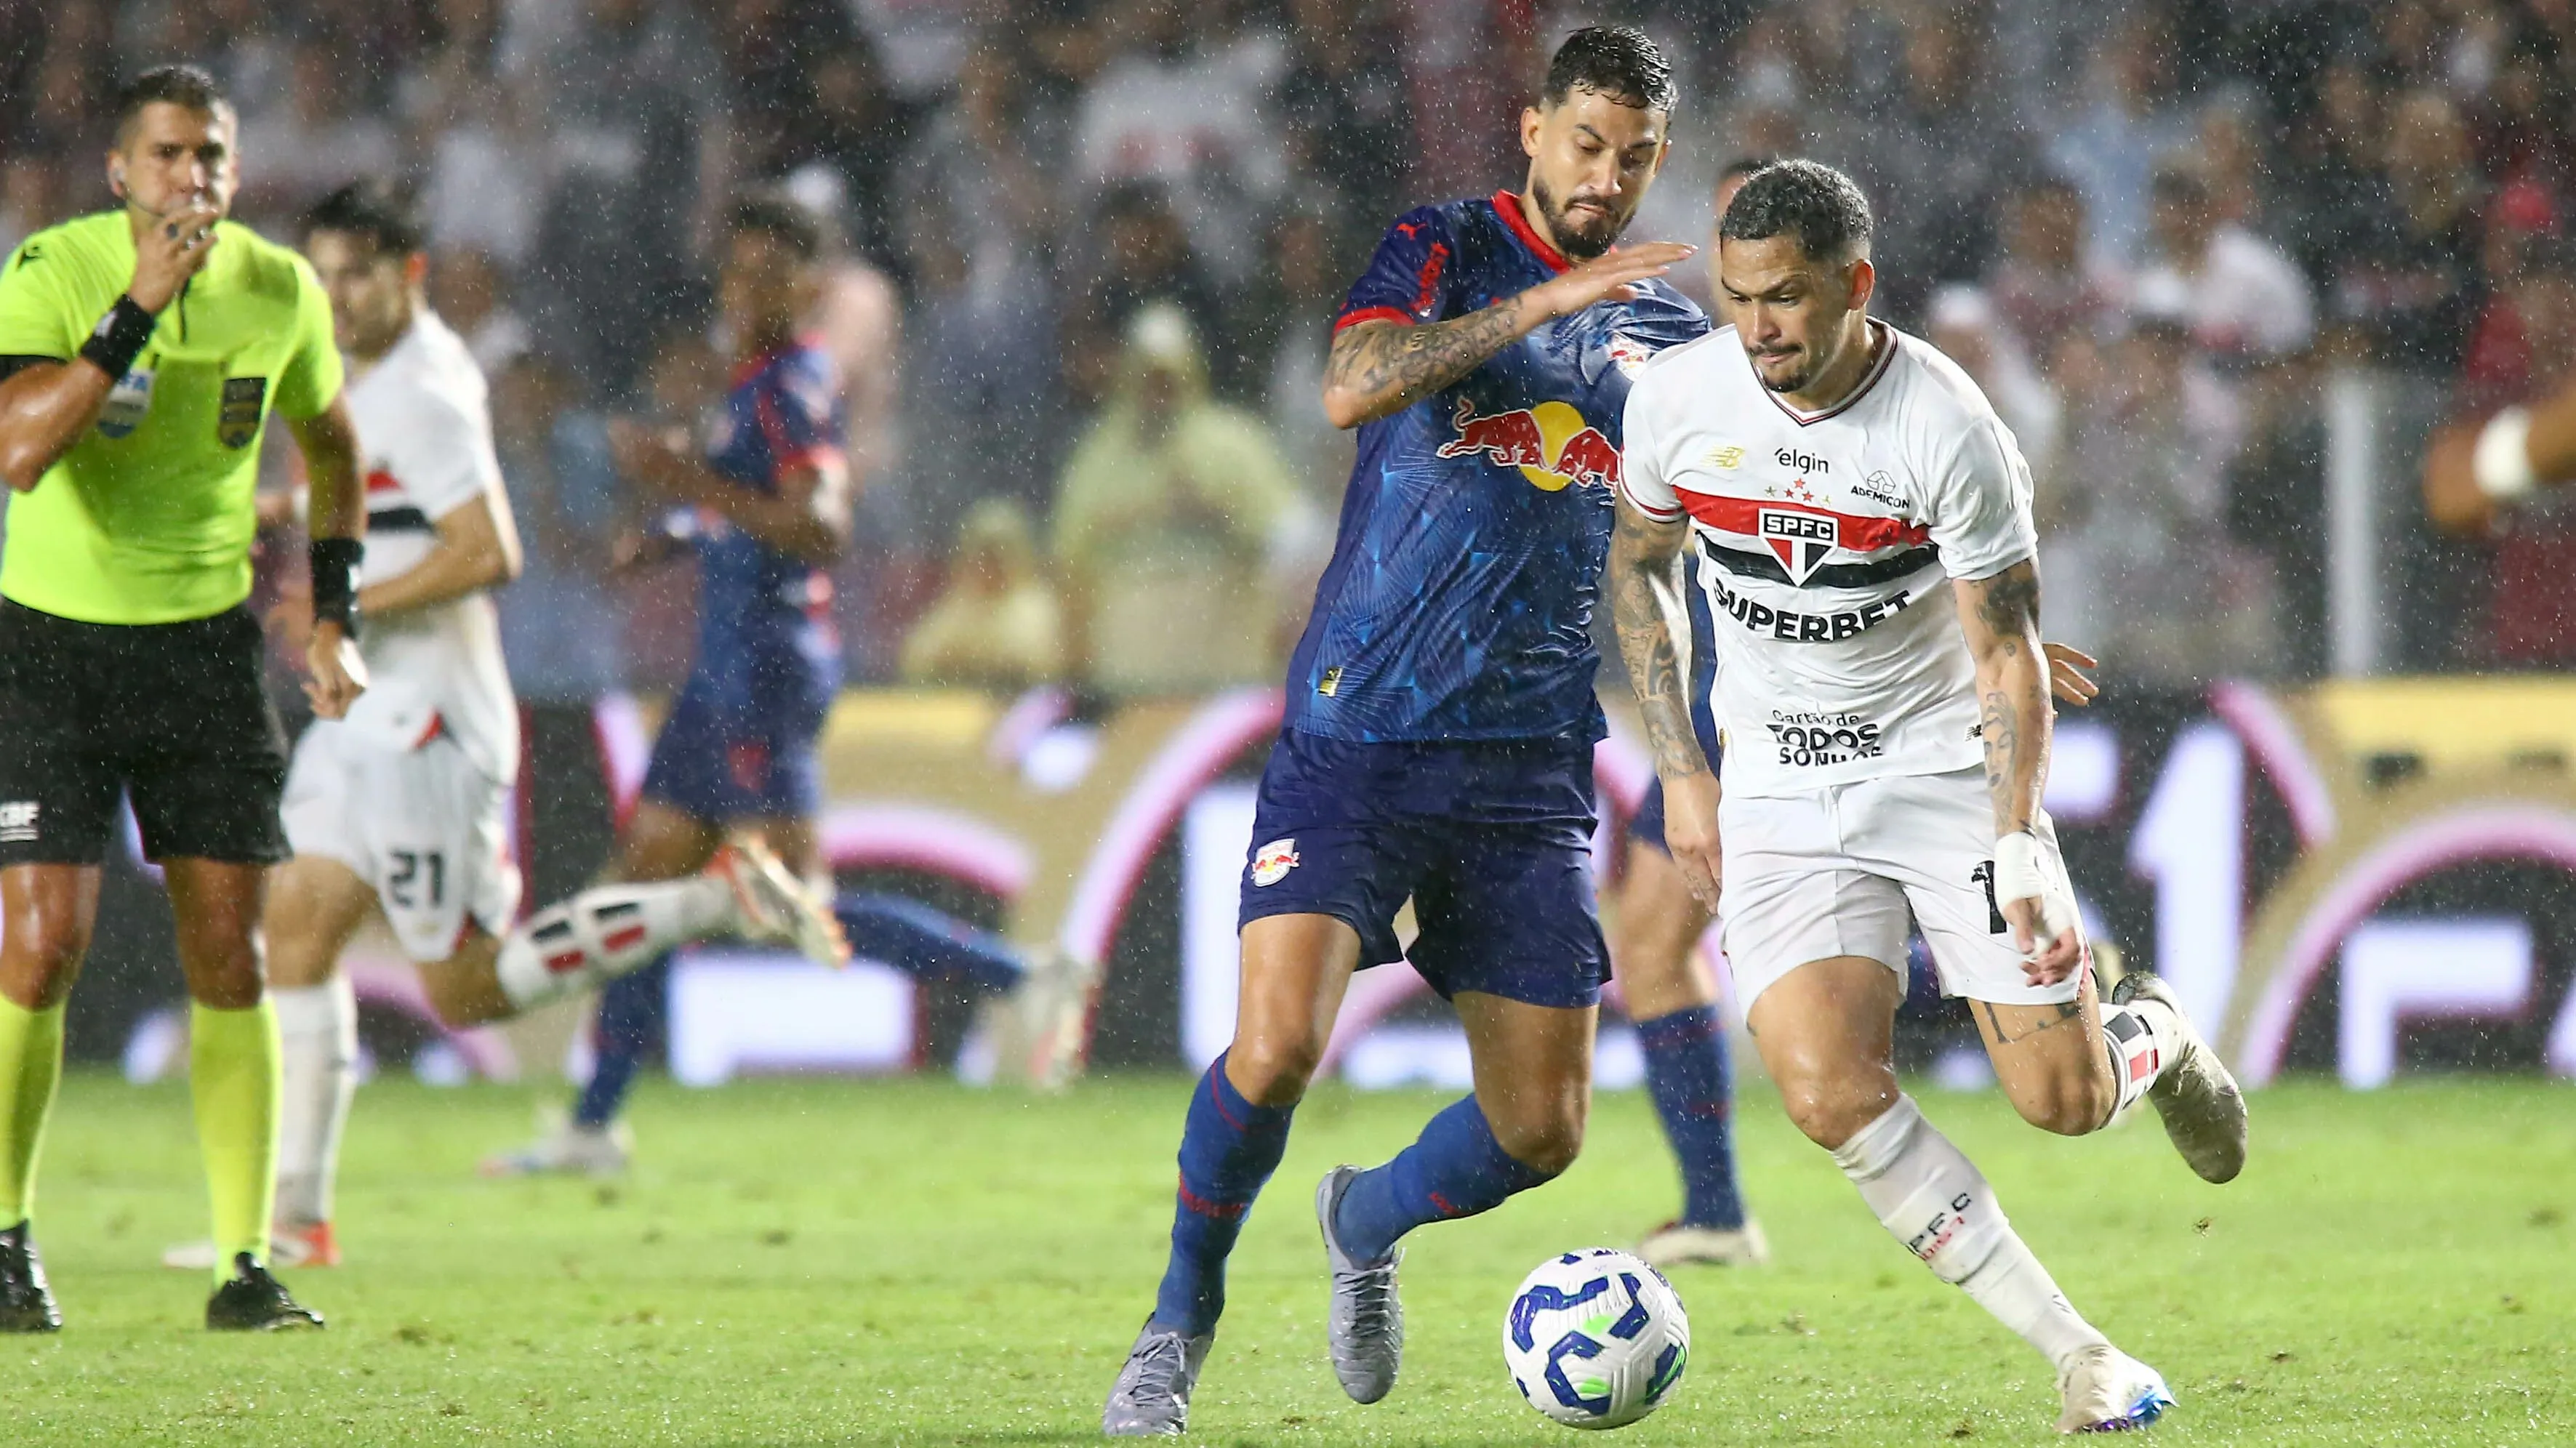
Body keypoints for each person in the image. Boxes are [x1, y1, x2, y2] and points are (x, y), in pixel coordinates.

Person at [1102, 28, 1703, 1436]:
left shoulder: (1673, 338)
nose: (1605, 178)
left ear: (1655, 162)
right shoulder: (1440, 243)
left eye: (1633, 158)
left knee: (1542, 1131)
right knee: (1277, 1048)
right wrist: (1549, 302)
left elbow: (1702, 535)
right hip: (1361, 727)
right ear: (1531, 130)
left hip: (1530, 760)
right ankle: (1178, 1318)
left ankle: (1362, 1219)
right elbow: (1355, 386)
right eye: (1584, 143)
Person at [1606, 159, 2248, 1436]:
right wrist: (1681, 770)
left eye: (1786, 298)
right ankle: (2082, 1358)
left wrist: (2014, 840)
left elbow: (2008, 649)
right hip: (1778, 783)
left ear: (1856, 283)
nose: (1760, 329)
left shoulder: (1946, 429)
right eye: (1736, 299)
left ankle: (2153, 1036)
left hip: (1939, 771)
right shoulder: (1680, 400)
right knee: (1823, 1090)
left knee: (2059, 1103)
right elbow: (1639, 571)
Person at [145, 183, 840, 1271]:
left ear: (407, 278)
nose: (336, 296)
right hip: (367, 709)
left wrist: (340, 607)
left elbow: (488, 552)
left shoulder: (428, 387)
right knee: (295, 930)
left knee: (466, 989)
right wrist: (276, 515)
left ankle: (719, 893)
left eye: (359, 275)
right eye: (322, 275)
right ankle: (296, 1219)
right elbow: (380, 504)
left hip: (432, 723)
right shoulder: (362, 377)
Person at [485, 200, 1088, 1176]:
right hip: (722, 668)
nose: (746, 291)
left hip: (763, 670)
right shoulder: (753, 384)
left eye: (770, 274)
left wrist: (686, 481)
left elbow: (821, 528)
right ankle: (595, 1125)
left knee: (796, 909)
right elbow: (747, 515)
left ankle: (1024, 976)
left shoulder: (795, 383)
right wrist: (680, 531)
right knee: (645, 889)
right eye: (737, 272)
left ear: (808, 288)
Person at [0, 65, 368, 1332]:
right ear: (120, 173)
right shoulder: (52, 269)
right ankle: (5, 1241)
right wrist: (135, 310)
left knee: (229, 956)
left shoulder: (278, 290)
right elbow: (18, 449)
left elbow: (331, 446)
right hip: (48, 645)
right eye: (165, 156)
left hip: (202, 653)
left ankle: (243, 1268)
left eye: (210, 156)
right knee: (43, 949)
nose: (189, 178)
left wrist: (337, 613)